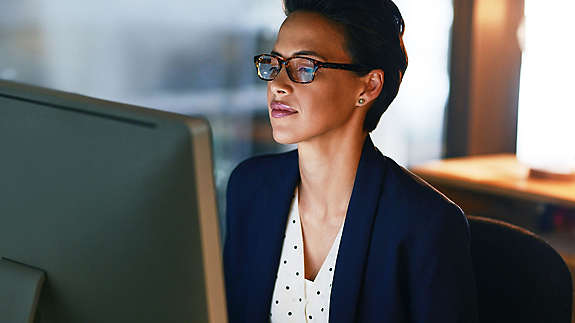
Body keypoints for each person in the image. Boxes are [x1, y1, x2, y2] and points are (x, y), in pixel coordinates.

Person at [224, 0, 479, 322]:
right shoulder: (249, 188)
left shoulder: (425, 223)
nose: (278, 85)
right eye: (274, 63)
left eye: (304, 66)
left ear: (368, 86)